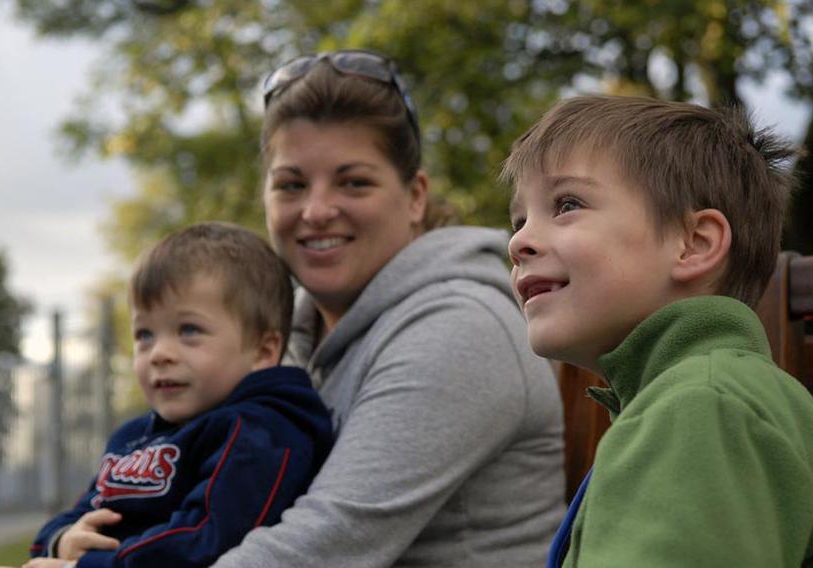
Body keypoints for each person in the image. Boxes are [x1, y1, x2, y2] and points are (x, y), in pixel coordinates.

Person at [212, 49, 566, 567]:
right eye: (291, 185)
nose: (316, 211)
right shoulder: (286, 338)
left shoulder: (461, 328)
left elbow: (319, 548)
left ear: (415, 195)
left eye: (354, 182)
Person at [504, 95, 813, 566]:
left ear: (694, 244)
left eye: (567, 204)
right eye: (519, 219)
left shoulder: (702, 409)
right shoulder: (693, 399)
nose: (518, 240)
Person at [25, 222, 334, 568]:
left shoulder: (261, 432)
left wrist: (86, 566)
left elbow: (205, 540)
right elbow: (84, 510)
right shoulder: (134, 437)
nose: (159, 353)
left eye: (189, 330)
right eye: (144, 334)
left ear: (263, 351)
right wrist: (62, 540)